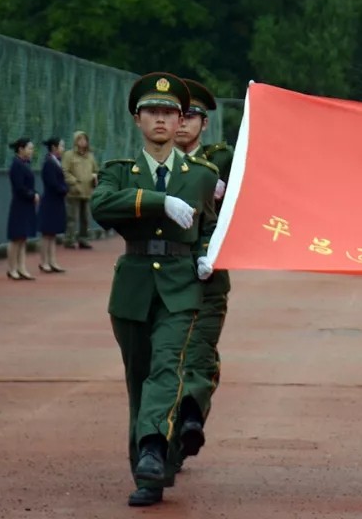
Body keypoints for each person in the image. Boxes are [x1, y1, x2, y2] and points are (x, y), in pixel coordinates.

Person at [91, 72, 219, 508]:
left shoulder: (201, 175)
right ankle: (149, 474)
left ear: (181, 118)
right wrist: (158, 200)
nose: (162, 120)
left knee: (167, 369)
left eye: (169, 112)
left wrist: (205, 252)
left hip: (181, 287)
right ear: (137, 119)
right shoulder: (119, 172)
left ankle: (151, 449)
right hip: (134, 285)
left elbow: (209, 225)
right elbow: (101, 206)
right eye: (153, 112)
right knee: (138, 379)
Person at [174, 78, 235, 461]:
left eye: (190, 116)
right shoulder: (150, 163)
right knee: (163, 360)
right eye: (175, 115)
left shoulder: (225, 159)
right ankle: (167, 440)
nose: (181, 123)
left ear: (204, 123)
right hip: (161, 272)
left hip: (208, 273)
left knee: (199, 355)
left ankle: (190, 418)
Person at [6, 137, 39, 280]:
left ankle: (22, 267)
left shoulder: (25, 164)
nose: (32, 151)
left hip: (27, 205)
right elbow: (19, 187)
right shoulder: (16, 165)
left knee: (23, 238)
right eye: (29, 148)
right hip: (19, 205)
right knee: (16, 238)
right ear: (21, 149)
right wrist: (32, 195)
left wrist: (34, 194)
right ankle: (12, 268)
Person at [62, 130, 99, 249]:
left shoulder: (90, 156)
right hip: (74, 192)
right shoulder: (69, 155)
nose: (83, 142)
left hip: (88, 191)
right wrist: (73, 182)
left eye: (85, 139)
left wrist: (95, 176)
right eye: (80, 139)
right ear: (75, 141)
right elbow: (65, 171)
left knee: (85, 218)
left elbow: (96, 170)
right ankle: (69, 239)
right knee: (72, 218)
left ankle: (83, 239)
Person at [37, 137, 68, 273]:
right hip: (50, 201)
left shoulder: (56, 162)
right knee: (47, 233)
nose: (63, 149)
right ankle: (44, 262)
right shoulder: (49, 163)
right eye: (61, 146)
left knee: (52, 233)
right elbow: (52, 183)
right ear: (54, 148)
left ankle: (52, 260)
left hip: (56, 201)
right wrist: (64, 189)